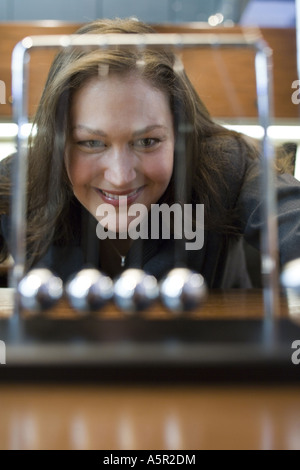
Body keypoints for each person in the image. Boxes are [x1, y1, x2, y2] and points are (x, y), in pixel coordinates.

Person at [1, 17, 300, 288]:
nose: (119, 177)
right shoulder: (19, 183)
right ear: (57, 141)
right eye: (91, 143)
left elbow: (292, 218)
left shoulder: (226, 164)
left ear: (181, 132)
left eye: (147, 142)